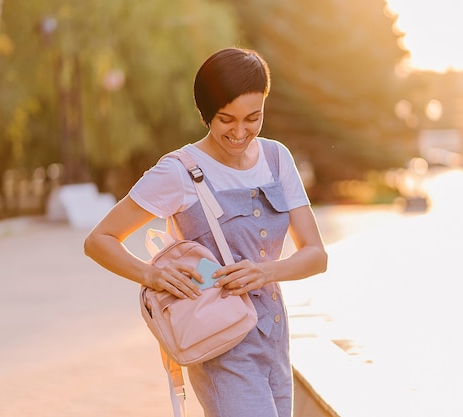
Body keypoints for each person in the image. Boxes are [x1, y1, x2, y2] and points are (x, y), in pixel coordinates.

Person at [84, 47, 328, 417]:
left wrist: (266, 271)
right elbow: (99, 240)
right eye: (226, 119)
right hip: (218, 339)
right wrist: (153, 274)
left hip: (275, 335)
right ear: (204, 113)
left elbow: (316, 255)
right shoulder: (178, 171)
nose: (241, 131)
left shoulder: (277, 158)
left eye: (253, 117)